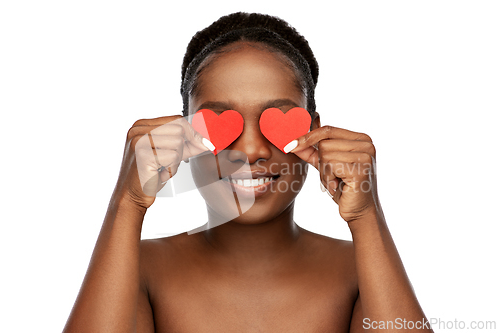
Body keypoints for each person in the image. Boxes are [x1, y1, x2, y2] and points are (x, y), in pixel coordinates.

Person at [63, 12, 432, 332]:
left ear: (316, 132)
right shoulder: (137, 267)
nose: (252, 150)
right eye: (220, 122)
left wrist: (367, 216)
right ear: (182, 136)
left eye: (277, 119)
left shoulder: (363, 270)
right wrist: (126, 203)